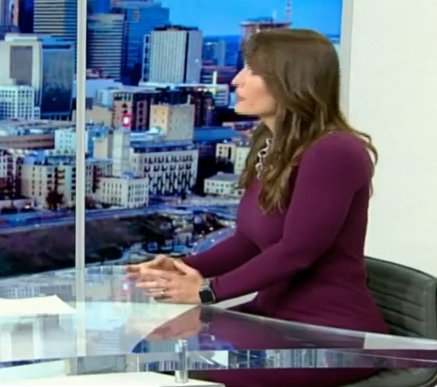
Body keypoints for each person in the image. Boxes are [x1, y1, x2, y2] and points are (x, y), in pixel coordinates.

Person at [127, 29, 390, 387]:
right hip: (272, 316)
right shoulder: (272, 146)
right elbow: (249, 241)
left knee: (169, 357)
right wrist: (184, 267)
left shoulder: (334, 151)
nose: (236, 80)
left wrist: (207, 291)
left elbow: (298, 251)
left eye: (252, 71)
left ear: (291, 80)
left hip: (327, 332)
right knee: (147, 344)